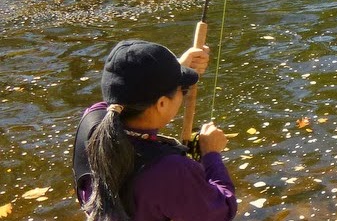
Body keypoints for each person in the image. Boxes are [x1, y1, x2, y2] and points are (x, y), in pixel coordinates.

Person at [73, 40, 236, 221]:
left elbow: (129, 95)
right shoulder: (171, 171)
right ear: (161, 103)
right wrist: (211, 155)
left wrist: (172, 69)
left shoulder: (91, 119)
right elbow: (221, 212)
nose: (183, 92)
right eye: (182, 89)